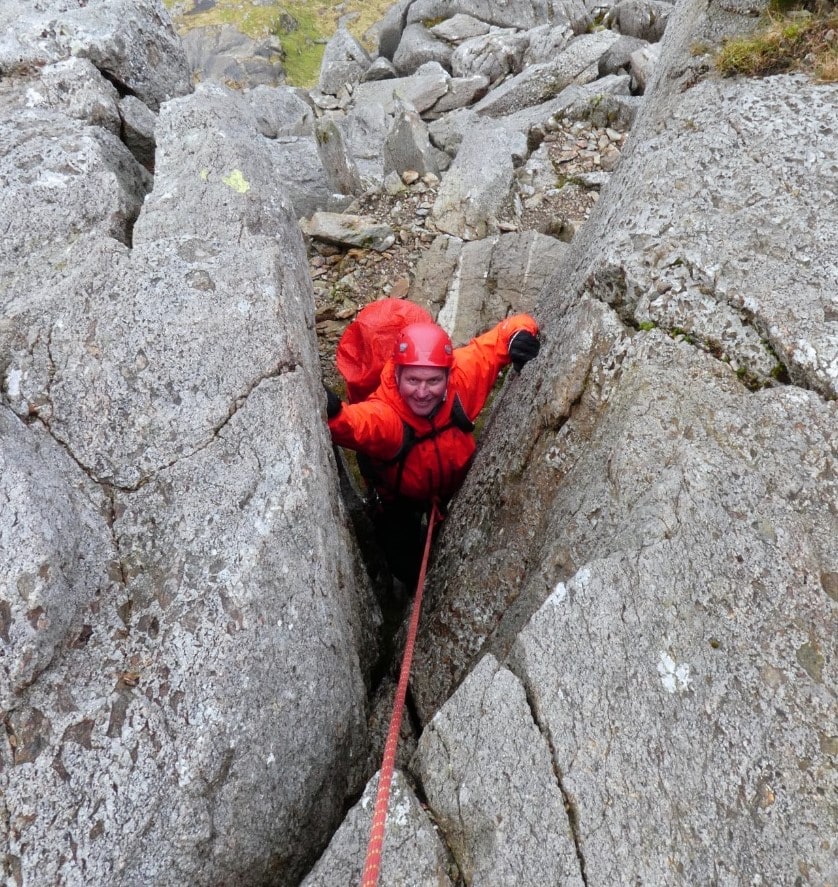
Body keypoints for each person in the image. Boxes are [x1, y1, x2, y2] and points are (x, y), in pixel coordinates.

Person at [325, 314, 540, 588]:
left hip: (451, 488)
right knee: (408, 567)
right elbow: (357, 424)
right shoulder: (388, 416)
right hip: (400, 499)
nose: (423, 392)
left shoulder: (462, 381)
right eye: (413, 380)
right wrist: (332, 412)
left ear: (448, 375)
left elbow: (504, 332)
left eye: (433, 381)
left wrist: (520, 335)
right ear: (396, 374)